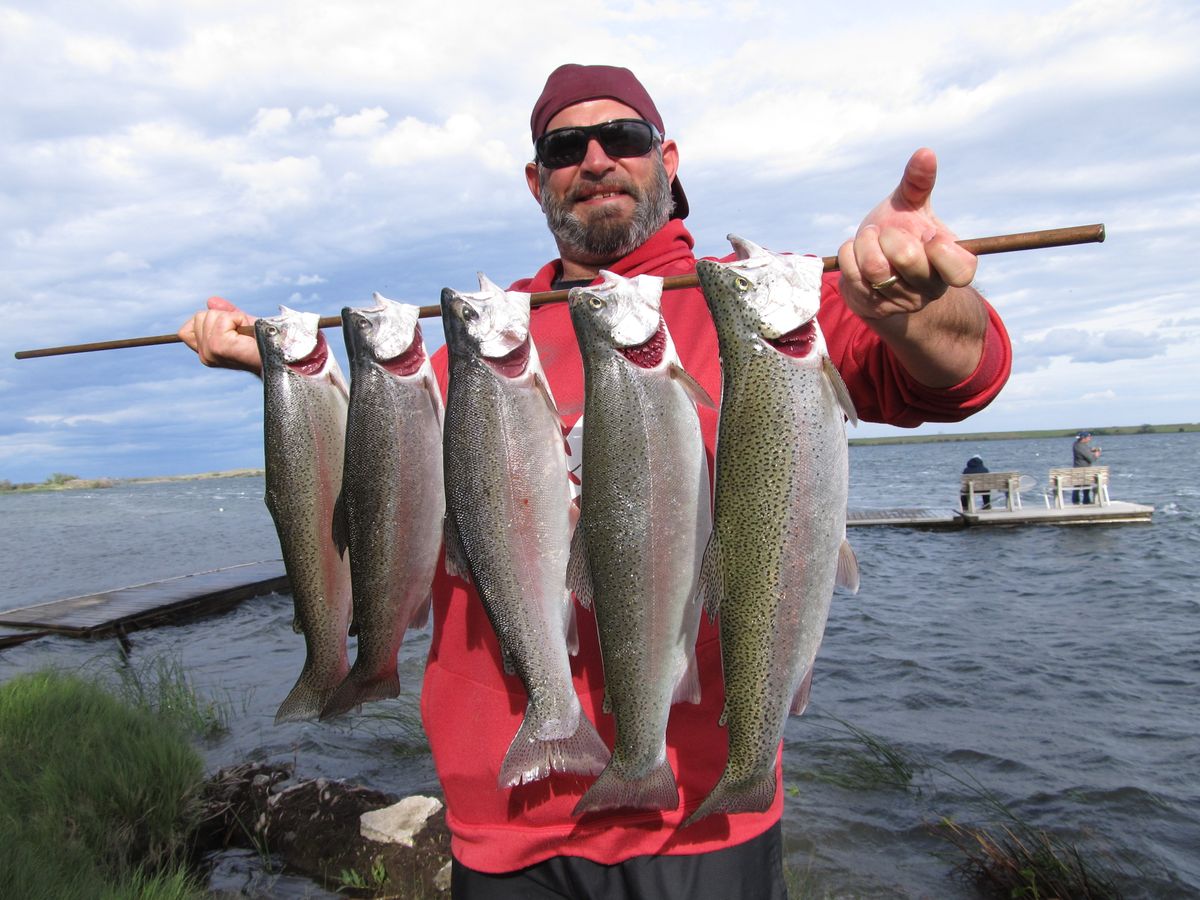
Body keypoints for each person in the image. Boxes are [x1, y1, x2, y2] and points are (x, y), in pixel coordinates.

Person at [179, 63, 1012, 899]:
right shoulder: (480, 346)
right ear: (537, 180)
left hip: (699, 817)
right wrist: (283, 371)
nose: (597, 158)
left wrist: (911, 303)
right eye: (565, 146)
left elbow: (962, 373)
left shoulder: (764, 303)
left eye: (624, 137)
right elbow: (383, 440)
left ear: (670, 158)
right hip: (504, 812)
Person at [1072, 431, 1101, 503]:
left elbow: (1084, 450)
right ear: (1083, 438)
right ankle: (1086, 501)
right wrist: (1096, 455)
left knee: (1077, 486)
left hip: (1077, 469)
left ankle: (1076, 501)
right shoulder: (1081, 446)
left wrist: (1091, 450)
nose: (1090, 438)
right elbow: (1091, 459)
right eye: (1088, 437)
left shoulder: (1076, 444)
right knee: (1085, 484)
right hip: (1083, 470)